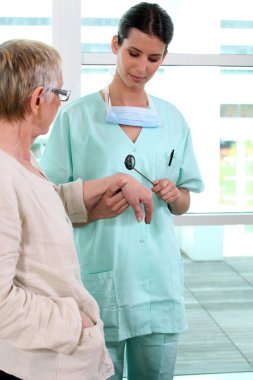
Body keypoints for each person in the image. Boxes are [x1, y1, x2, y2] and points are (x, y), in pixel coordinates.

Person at [41, 2, 204, 379]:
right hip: (100, 281)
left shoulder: (173, 120)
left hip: (158, 283)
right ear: (115, 44)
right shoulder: (76, 117)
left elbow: (183, 203)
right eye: (133, 53)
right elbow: (51, 203)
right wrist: (94, 207)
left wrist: (173, 194)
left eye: (154, 58)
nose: (141, 68)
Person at [0, 38, 154, 380]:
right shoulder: (2, 176)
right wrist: (76, 322)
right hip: (43, 365)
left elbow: (41, 200)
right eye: (60, 93)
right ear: (38, 99)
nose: (60, 102)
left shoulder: (22, 160)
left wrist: (108, 186)